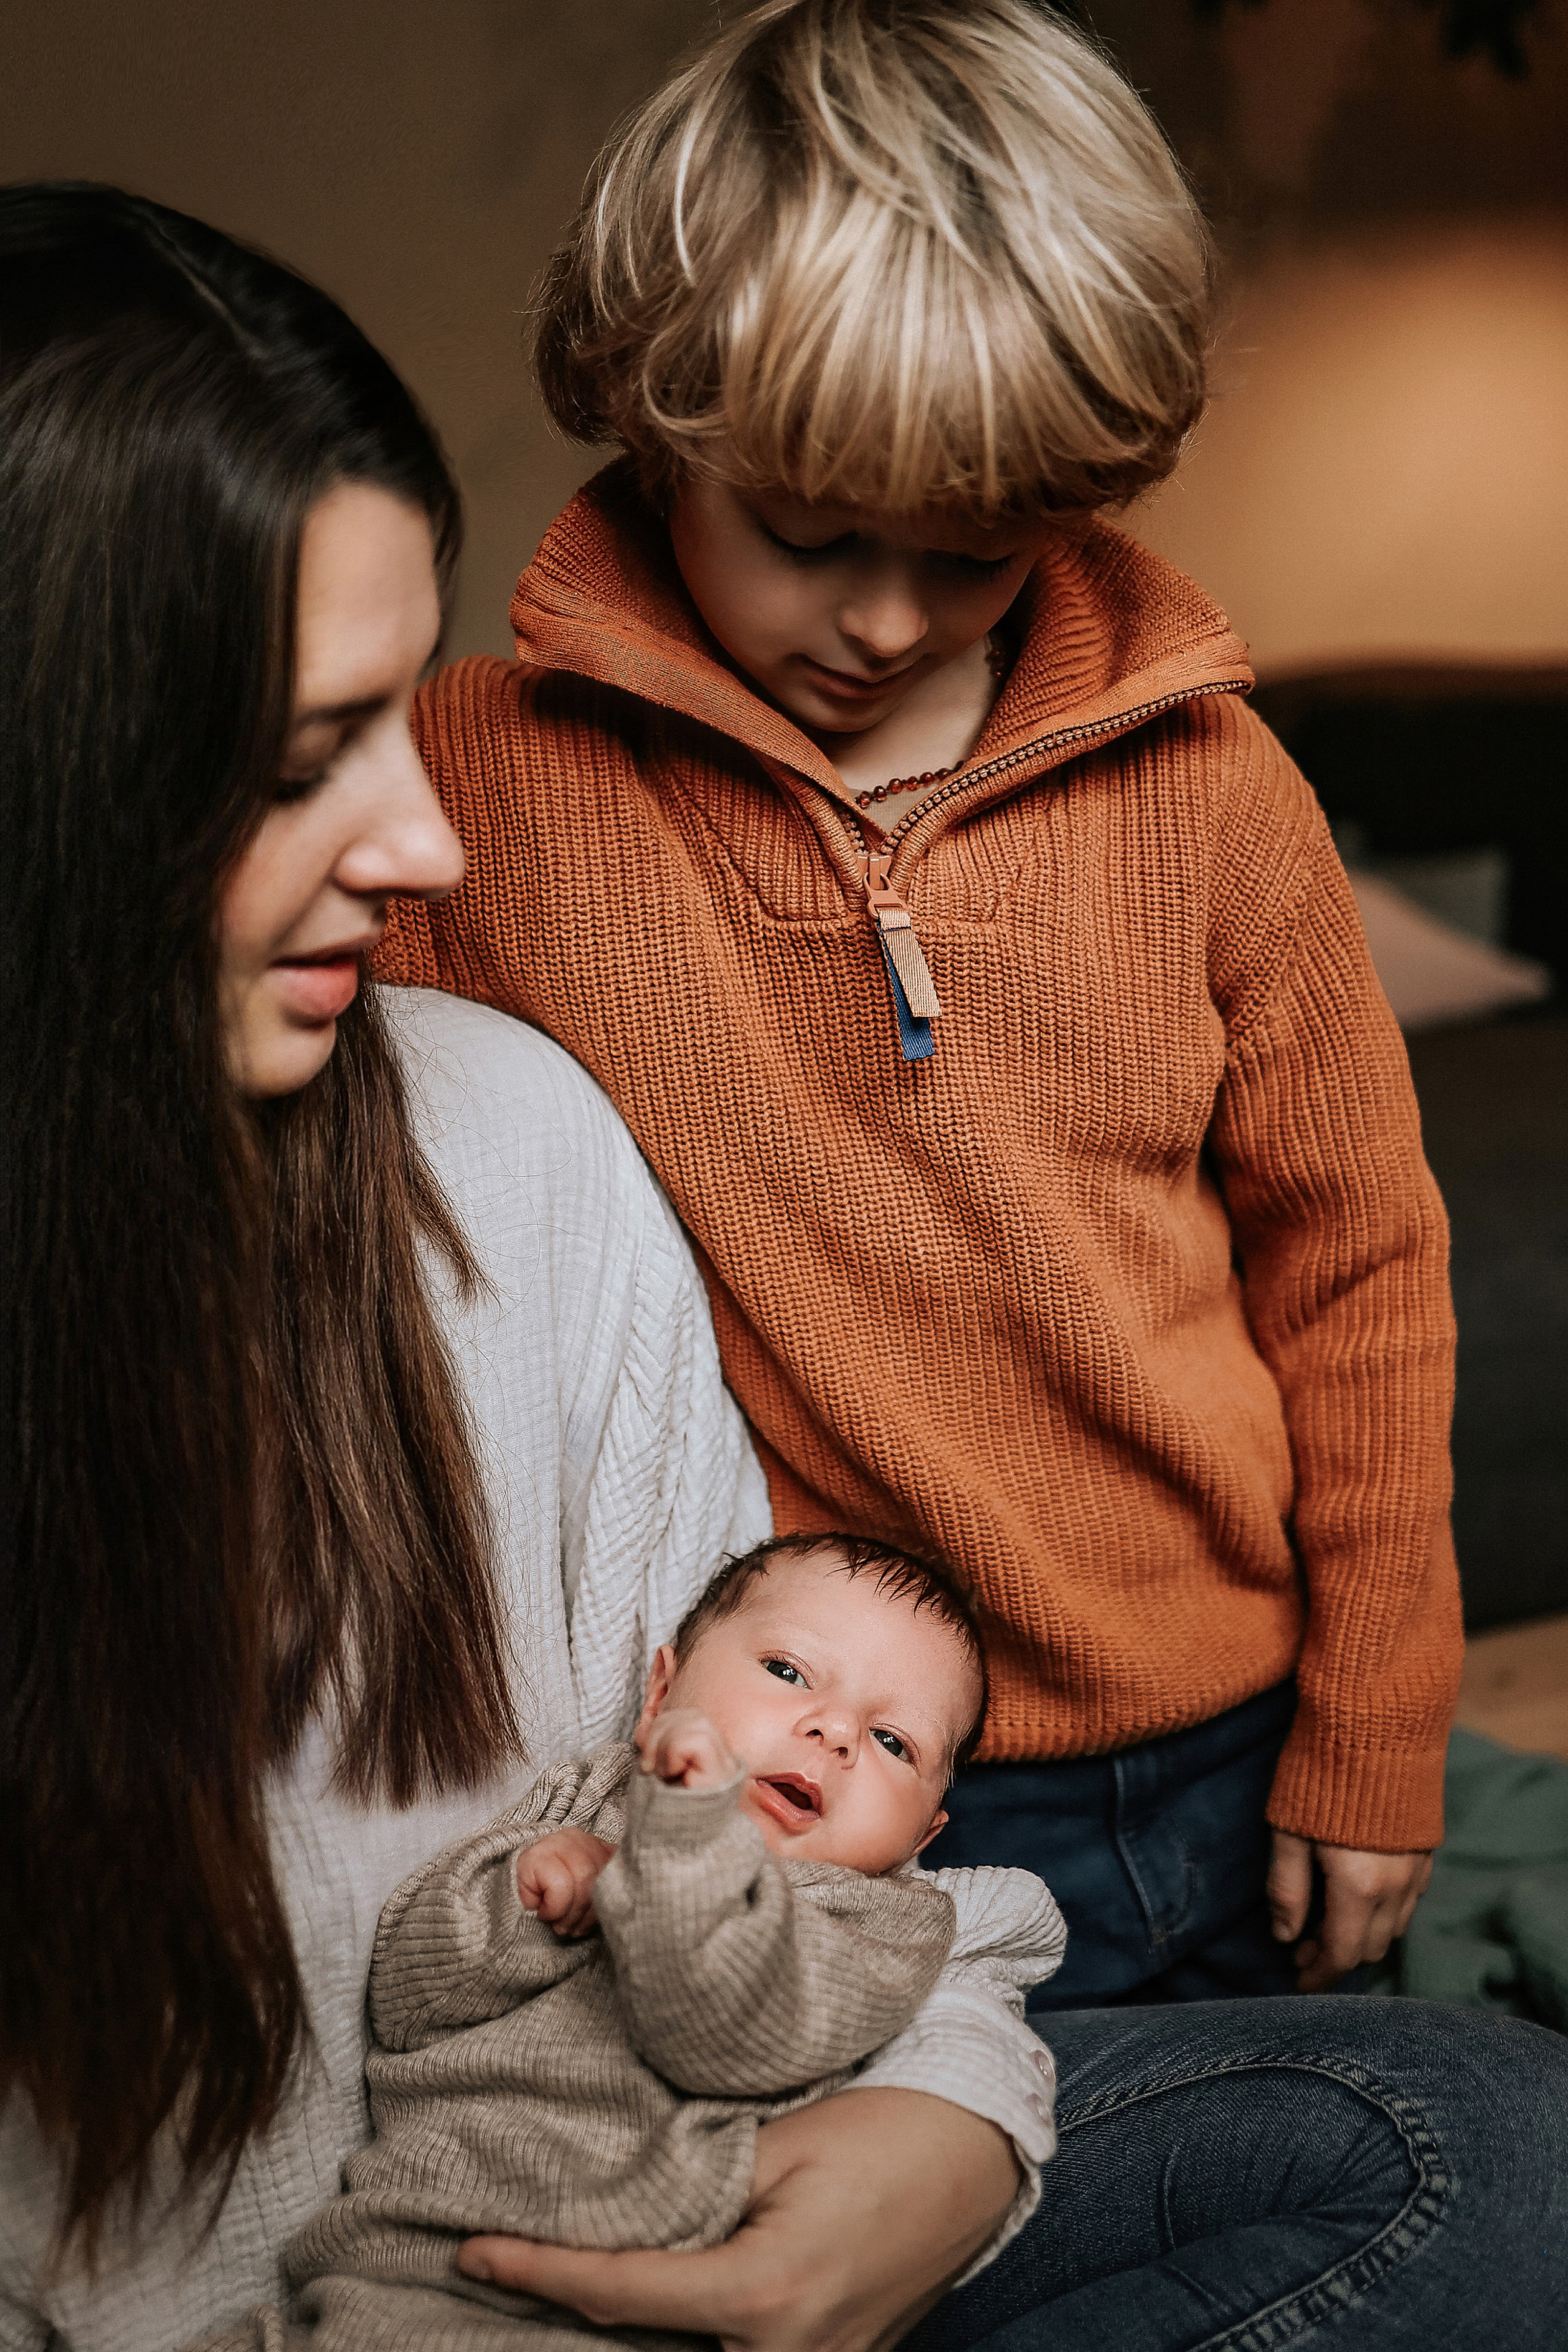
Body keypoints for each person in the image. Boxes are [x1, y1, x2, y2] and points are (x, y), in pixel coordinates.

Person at [363, 0, 1568, 2340]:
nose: (891, 623)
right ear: (649, 413)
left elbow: (1363, 1265)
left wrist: (1375, 1727)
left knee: (1263, 2186)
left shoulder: (1214, 793)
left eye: (983, 554)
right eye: (813, 540)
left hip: (1229, 1740)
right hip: (817, 1785)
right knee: (828, 2243)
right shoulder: (479, 784)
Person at [0, 184, 1047, 2352]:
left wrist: (946, 2141)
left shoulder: (508, 1137)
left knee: (1469, 2149)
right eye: (302, 761)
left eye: (401, 713)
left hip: (678, 2186)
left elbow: (822, 1842)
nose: (426, 846)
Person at [195, 1537, 1065, 2350]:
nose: (833, 1732)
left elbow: (728, 2037)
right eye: (788, 1670)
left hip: (622, 2312)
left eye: (891, 1741)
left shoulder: (875, 1922)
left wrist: (676, 1848)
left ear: (923, 1836)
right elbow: (414, 1998)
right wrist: (528, 1898)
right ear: (662, 1692)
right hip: (399, 2260)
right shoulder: (590, 1798)